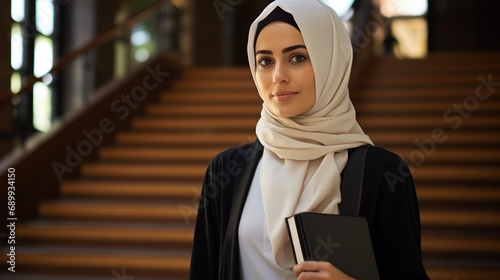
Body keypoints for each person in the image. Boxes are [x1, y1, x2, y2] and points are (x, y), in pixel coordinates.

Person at [189, 0, 429, 279]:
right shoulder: (226, 170)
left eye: (297, 58)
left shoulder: (382, 174)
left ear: (331, 61)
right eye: (265, 61)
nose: (278, 77)